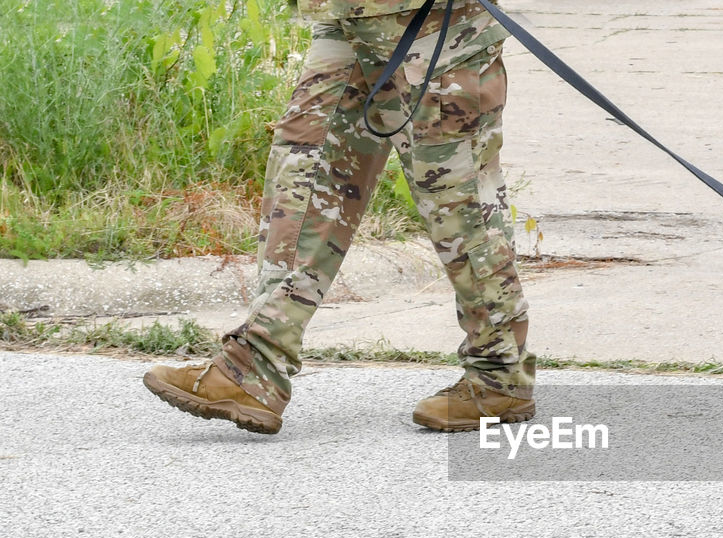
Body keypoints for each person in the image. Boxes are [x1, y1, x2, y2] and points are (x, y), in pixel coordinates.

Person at [143, 0, 535, 434]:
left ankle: (499, 373)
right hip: (343, 13)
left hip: (434, 21)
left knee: (455, 200)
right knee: (305, 172)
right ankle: (254, 364)